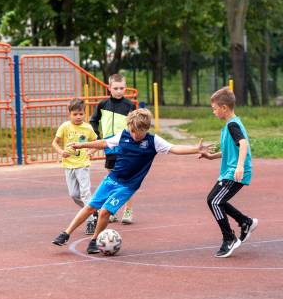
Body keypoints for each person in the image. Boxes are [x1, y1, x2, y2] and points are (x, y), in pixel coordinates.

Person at [52, 108, 213, 254]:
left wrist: (195, 149)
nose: (135, 134)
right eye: (132, 130)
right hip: (112, 178)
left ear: (146, 129)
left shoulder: (153, 141)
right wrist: (82, 145)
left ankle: (94, 241)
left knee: (105, 212)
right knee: (90, 207)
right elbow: (103, 143)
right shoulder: (124, 135)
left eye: (138, 132)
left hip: (127, 186)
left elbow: (174, 148)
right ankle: (65, 234)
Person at [198, 87, 258, 258]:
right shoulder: (230, 125)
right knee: (216, 200)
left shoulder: (232, 125)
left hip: (235, 172)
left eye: (214, 108)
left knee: (215, 201)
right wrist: (211, 157)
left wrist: (239, 167)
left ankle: (229, 238)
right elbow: (230, 150)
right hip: (230, 171)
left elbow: (244, 144)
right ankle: (245, 221)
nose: (214, 112)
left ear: (224, 107)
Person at [90, 74, 136, 224]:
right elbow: (93, 120)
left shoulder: (130, 105)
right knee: (113, 181)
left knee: (126, 181)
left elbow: (135, 125)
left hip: (125, 147)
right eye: (115, 88)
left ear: (125, 88)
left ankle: (128, 210)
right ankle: (112, 211)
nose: (119, 91)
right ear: (109, 88)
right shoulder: (103, 105)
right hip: (110, 148)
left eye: (122, 88)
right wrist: (98, 136)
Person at [52, 98, 98, 235]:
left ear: (84, 114)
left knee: (85, 193)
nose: (78, 117)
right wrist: (61, 152)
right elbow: (55, 143)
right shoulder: (65, 127)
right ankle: (93, 210)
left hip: (82, 165)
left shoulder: (88, 128)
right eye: (75, 114)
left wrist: (91, 151)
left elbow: (96, 142)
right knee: (74, 194)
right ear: (69, 114)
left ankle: (90, 221)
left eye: (81, 114)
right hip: (69, 165)